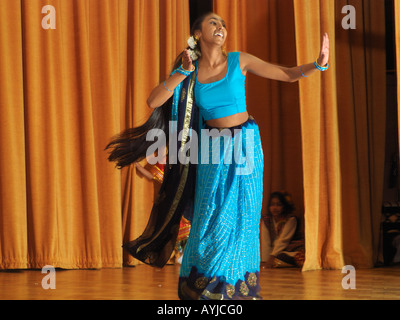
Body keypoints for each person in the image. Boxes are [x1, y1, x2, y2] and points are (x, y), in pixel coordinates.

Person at [106, 12, 329, 300]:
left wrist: (317, 64)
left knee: (243, 218)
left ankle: (235, 290)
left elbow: (286, 74)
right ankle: (202, 286)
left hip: (246, 143)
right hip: (212, 148)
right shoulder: (191, 71)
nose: (221, 27)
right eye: (213, 23)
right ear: (197, 33)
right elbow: (153, 101)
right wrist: (181, 73)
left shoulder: (240, 60)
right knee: (211, 216)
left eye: (223, 23)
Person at [262, 191, 305, 268]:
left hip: (289, 251)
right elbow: (265, 242)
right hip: (275, 253)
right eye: (272, 205)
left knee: (283, 257)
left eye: (279, 205)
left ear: (284, 206)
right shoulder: (266, 220)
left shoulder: (290, 219)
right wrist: (265, 261)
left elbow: (283, 240)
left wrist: (272, 257)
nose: (275, 208)